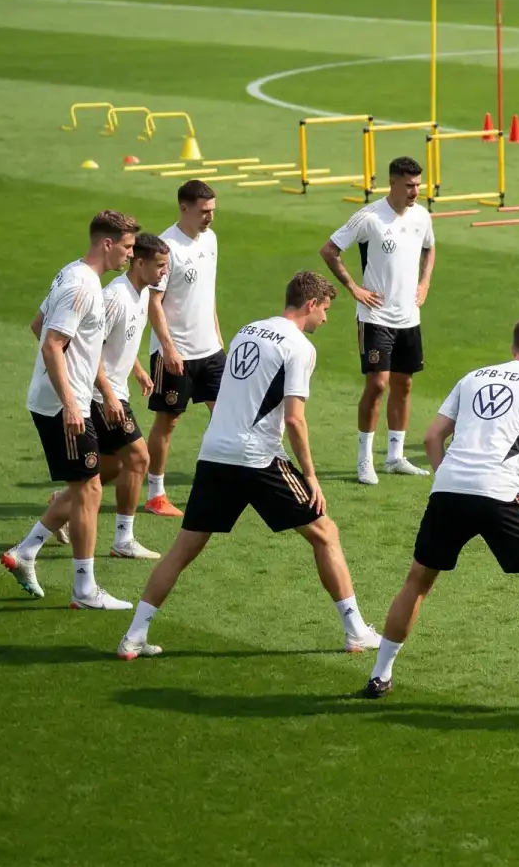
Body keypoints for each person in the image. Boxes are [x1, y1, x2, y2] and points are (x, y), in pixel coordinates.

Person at [118, 272, 380, 660]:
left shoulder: (249, 330)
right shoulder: (300, 347)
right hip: (257, 458)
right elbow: (294, 419)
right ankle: (356, 630)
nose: (325, 319)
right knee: (325, 532)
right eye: (325, 310)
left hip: (215, 452)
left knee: (182, 550)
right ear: (311, 305)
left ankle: (134, 636)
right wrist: (310, 477)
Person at [360, 317, 519, 710]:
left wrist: (447, 479)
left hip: (448, 490)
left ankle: (380, 675)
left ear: (514, 348)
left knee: (418, 583)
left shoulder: (473, 377)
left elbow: (431, 437)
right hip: (499, 494)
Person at [0, 211, 140, 607]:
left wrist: (97, 390)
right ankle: (83, 590)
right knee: (89, 490)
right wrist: (70, 403)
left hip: (72, 398)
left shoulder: (72, 273)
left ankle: (26, 552)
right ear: (107, 243)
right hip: (65, 406)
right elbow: (50, 343)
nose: (130, 255)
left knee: (95, 478)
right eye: (127, 247)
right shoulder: (83, 287)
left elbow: (38, 324)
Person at [320, 155, 436, 485]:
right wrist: (354, 288)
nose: (415, 191)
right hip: (375, 317)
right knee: (377, 384)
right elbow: (329, 250)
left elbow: (430, 248)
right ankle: (364, 460)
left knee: (405, 384)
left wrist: (425, 282)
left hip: (408, 317)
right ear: (394, 183)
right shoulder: (369, 217)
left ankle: (395, 457)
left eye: (418, 185)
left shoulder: (422, 216)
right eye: (410, 185)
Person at [83, 232, 171, 561]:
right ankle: (124, 539)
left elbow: (117, 340)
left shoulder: (142, 293)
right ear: (139, 262)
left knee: (110, 469)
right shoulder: (115, 297)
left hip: (112, 390)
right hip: (100, 394)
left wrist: (137, 369)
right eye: (160, 265)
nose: (165, 272)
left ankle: (61, 504)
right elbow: (89, 349)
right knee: (138, 459)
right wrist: (108, 395)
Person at [143, 180, 223, 519]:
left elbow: (208, 293)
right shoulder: (167, 248)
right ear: (184, 208)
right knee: (169, 421)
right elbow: (154, 302)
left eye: (213, 211)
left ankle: (224, 480)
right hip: (175, 354)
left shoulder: (212, 240)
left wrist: (220, 340)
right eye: (204, 212)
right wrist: (169, 348)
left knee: (225, 415)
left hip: (210, 350)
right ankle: (155, 493)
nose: (210, 218)